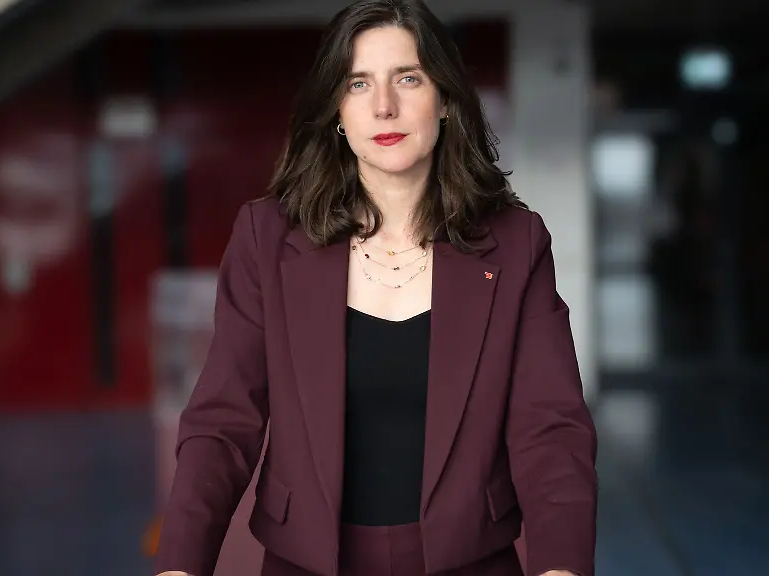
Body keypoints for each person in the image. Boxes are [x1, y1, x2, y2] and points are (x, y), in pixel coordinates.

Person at [154, 1, 597, 575]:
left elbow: (550, 428)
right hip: (307, 565)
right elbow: (223, 421)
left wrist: (561, 566)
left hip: (470, 561)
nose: (384, 106)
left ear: (445, 100)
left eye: (407, 78)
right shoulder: (267, 238)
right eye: (358, 83)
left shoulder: (516, 243)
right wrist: (180, 565)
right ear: (336, 110)